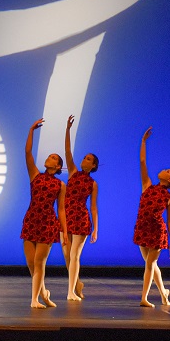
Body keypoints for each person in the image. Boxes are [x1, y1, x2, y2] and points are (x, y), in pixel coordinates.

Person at [21, 119, 68, 309]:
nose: (49, 158)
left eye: (54, 158)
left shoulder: (60, 185)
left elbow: (62, 209)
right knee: (32, 265)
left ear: (57, 167)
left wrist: (64, 232)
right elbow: (27, 153)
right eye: (49, 156)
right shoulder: (35, 175)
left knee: (40, 263)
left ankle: (35, 300)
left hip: (48, 223)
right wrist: (31, 130)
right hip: (31, 220)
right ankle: (44, 293)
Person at [133, 126, 170, 307]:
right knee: (150, 264)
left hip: (158, 231)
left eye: (168, 171)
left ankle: (144, 297)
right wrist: (143, 142)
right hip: (142, 227)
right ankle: (164, 294)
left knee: (150, 265)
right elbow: (143, 162)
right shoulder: (148, 185)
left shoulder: (169, 198)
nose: (164, 170)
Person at [61, 115, 98, 302]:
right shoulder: (73, 172)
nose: (84, 159)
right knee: (67, 255)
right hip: (66, 216)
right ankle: (77, 284)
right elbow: (67, 151)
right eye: (84, 157)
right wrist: (67, 130)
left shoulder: (93, 183)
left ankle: (71, 292)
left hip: (81, 218)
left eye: (88, 159)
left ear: (93, 165)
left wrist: (96, 229)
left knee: (74, 255)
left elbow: (93, 207)